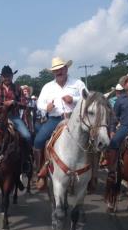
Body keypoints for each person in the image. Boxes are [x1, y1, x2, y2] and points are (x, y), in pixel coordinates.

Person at [34, 57, 88, 190]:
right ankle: (41, 171)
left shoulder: (78, 83)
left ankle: (92, 173)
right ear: (53, 73)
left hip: (75, 119)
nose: (59, 72)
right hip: (55, 119)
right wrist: (47, 107)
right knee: (38, 141)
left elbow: (88, 98)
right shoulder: (47, 86)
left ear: (66, 68)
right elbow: (39, 103)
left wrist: (73, 99)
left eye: (61, 69)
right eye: (55, 70)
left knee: (92, 140)